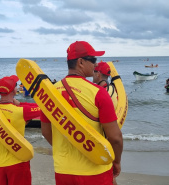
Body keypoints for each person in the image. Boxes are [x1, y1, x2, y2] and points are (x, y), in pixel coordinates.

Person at [41, 41, 123, 185]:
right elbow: (115, 138)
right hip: (95, 171)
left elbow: (46, 131)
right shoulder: (98, 93)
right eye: (93, 60)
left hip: (63, 171)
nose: (95, 65)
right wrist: (116, 161)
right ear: (80, 62)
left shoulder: (50, 93)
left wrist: (68, 147)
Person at [0, 75, 40, 185]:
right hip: (18, 163)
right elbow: (44, 108)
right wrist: (20, 104)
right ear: (14, 90)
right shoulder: (21, 111)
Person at [93, 62, 118, 185]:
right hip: (109, 137)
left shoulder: (102, 93)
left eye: (94, 72)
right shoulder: (112, 89)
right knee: (110, 176)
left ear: (98, 74)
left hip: (103, 140)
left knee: (108, 176)